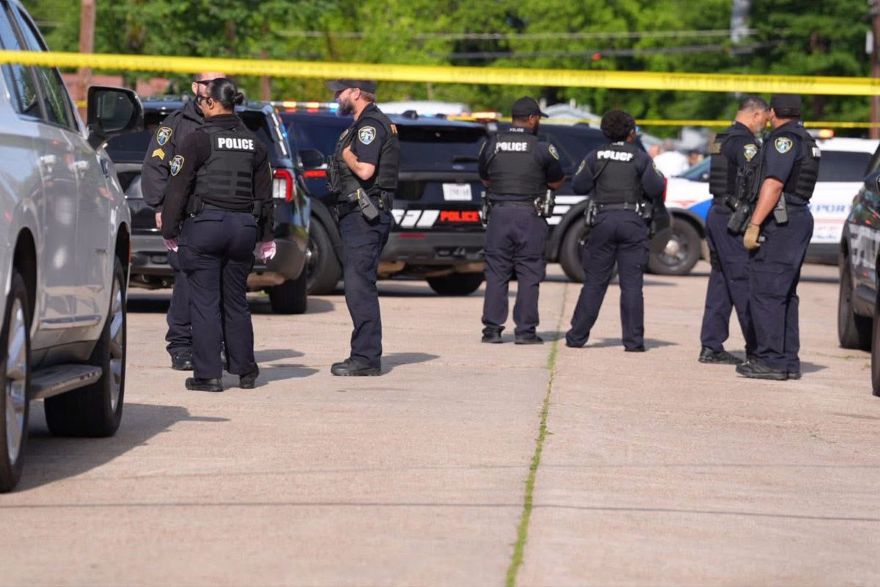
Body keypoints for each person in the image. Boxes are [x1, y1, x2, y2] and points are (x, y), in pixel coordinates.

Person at [160, 78, 275, 392]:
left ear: (211, 103)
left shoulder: (197, 140)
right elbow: (265, 197)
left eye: (201, 101)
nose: (199, 105)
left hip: (206, 228)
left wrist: (169, 229)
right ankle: (245, 370)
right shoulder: (254, 143)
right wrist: (266, 236)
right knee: (236, 301)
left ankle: (208, 375)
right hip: (243, 230)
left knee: (205, 303)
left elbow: (178, 188)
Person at [142, 71, 225, 371]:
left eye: (219, 83)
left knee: (221, 282)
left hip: (221, 215)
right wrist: (161, 206)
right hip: (186, 215)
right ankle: (181, 345)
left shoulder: (232, 123)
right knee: (187, 281)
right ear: (195, 87)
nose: (212, 88)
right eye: (207, 83)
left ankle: (214, 345)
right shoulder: (177, 123)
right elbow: (155, 166)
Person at [565, 110, 666, 351]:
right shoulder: (640, 157)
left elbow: (578, 185)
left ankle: (577, 337)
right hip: (632, 221)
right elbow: (656, 187)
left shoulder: (594, 156)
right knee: (632, 285)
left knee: (594, 283)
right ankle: (633, 342)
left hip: (603, 220)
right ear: (631, 133)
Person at [736, 94, 818, 381]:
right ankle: (787, 360)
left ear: (772, 113)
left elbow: (773, 184)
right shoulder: (806, 138)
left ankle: (771, 361)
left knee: (767, 292)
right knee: (785, 294)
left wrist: (755, 224)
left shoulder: (784, 140)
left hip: (782, 221)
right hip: (797, 218)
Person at [326, 79, 400, 376]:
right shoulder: (362, 125)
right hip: (358, 215)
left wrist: (347, 155)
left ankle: (366, 358)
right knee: (358, 284)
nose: (336, 96)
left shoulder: (370, 126)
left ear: (356, 93)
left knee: (359, 287)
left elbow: (366, 170)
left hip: (364, 216)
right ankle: (365, 354)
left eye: (340, 91)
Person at [478, 96, 564, 344]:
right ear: (532, 119)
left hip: (499, 214)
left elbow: (485, 178)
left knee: (496, 272)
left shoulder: (492, 144)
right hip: (529, 216)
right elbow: (556, 181)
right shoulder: (542, 148)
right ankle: (525, 332)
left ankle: (492, 330)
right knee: (529, 272)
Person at [698, 96, 769, 365]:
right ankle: (757, 349)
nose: (764, 124)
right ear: (755, 114)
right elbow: (755, 179)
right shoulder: (745, 143)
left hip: (718, 212)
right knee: (741, 280)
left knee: (721, 281)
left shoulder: (722, 138)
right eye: (764, 119)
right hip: (733, 218)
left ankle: (711, 345)